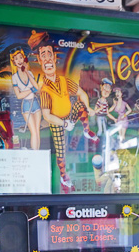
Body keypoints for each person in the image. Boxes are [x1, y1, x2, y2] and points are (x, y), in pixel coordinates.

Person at [31, 30, 98, 192]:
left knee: (80, 106)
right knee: (61, 152)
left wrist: (88, 107)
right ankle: (63, 176)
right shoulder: (44, 89)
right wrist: (64, 123)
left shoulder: (63, 80)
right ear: (40, 60)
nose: (47, 58)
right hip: (57, 122)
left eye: (49, 54)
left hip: (70, 116)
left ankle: (87, 131)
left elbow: (81, 93)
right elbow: (47, 116)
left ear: (54, 58)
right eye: (43, 55)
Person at [9, 48, 41, 150]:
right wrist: (31, 90)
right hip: (26, 105)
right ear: (13, 62)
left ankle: (38, 154)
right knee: (33, 132)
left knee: (37, 130)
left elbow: (37, 87)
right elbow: (19, 95)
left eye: (21, 57)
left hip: (35, 102)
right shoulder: (14, 77)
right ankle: (35, 155)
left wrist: (27, 72)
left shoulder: (30, 73)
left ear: (24, 59)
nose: (19, 60)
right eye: (16, 58)